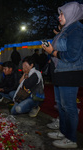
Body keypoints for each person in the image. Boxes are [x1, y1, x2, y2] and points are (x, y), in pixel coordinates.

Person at [42, 2, 83, 148]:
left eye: (62, 13)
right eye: (59, 13)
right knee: (61, 105)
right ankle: (63, 131)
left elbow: (72, 55)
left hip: (69, 73)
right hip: (60, 72)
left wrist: (51, 52)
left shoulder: (76, 30)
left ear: (71, 13)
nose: (59, 16)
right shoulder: (66, 29)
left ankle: (71, 139)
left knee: (69, 106)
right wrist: (50, 50)